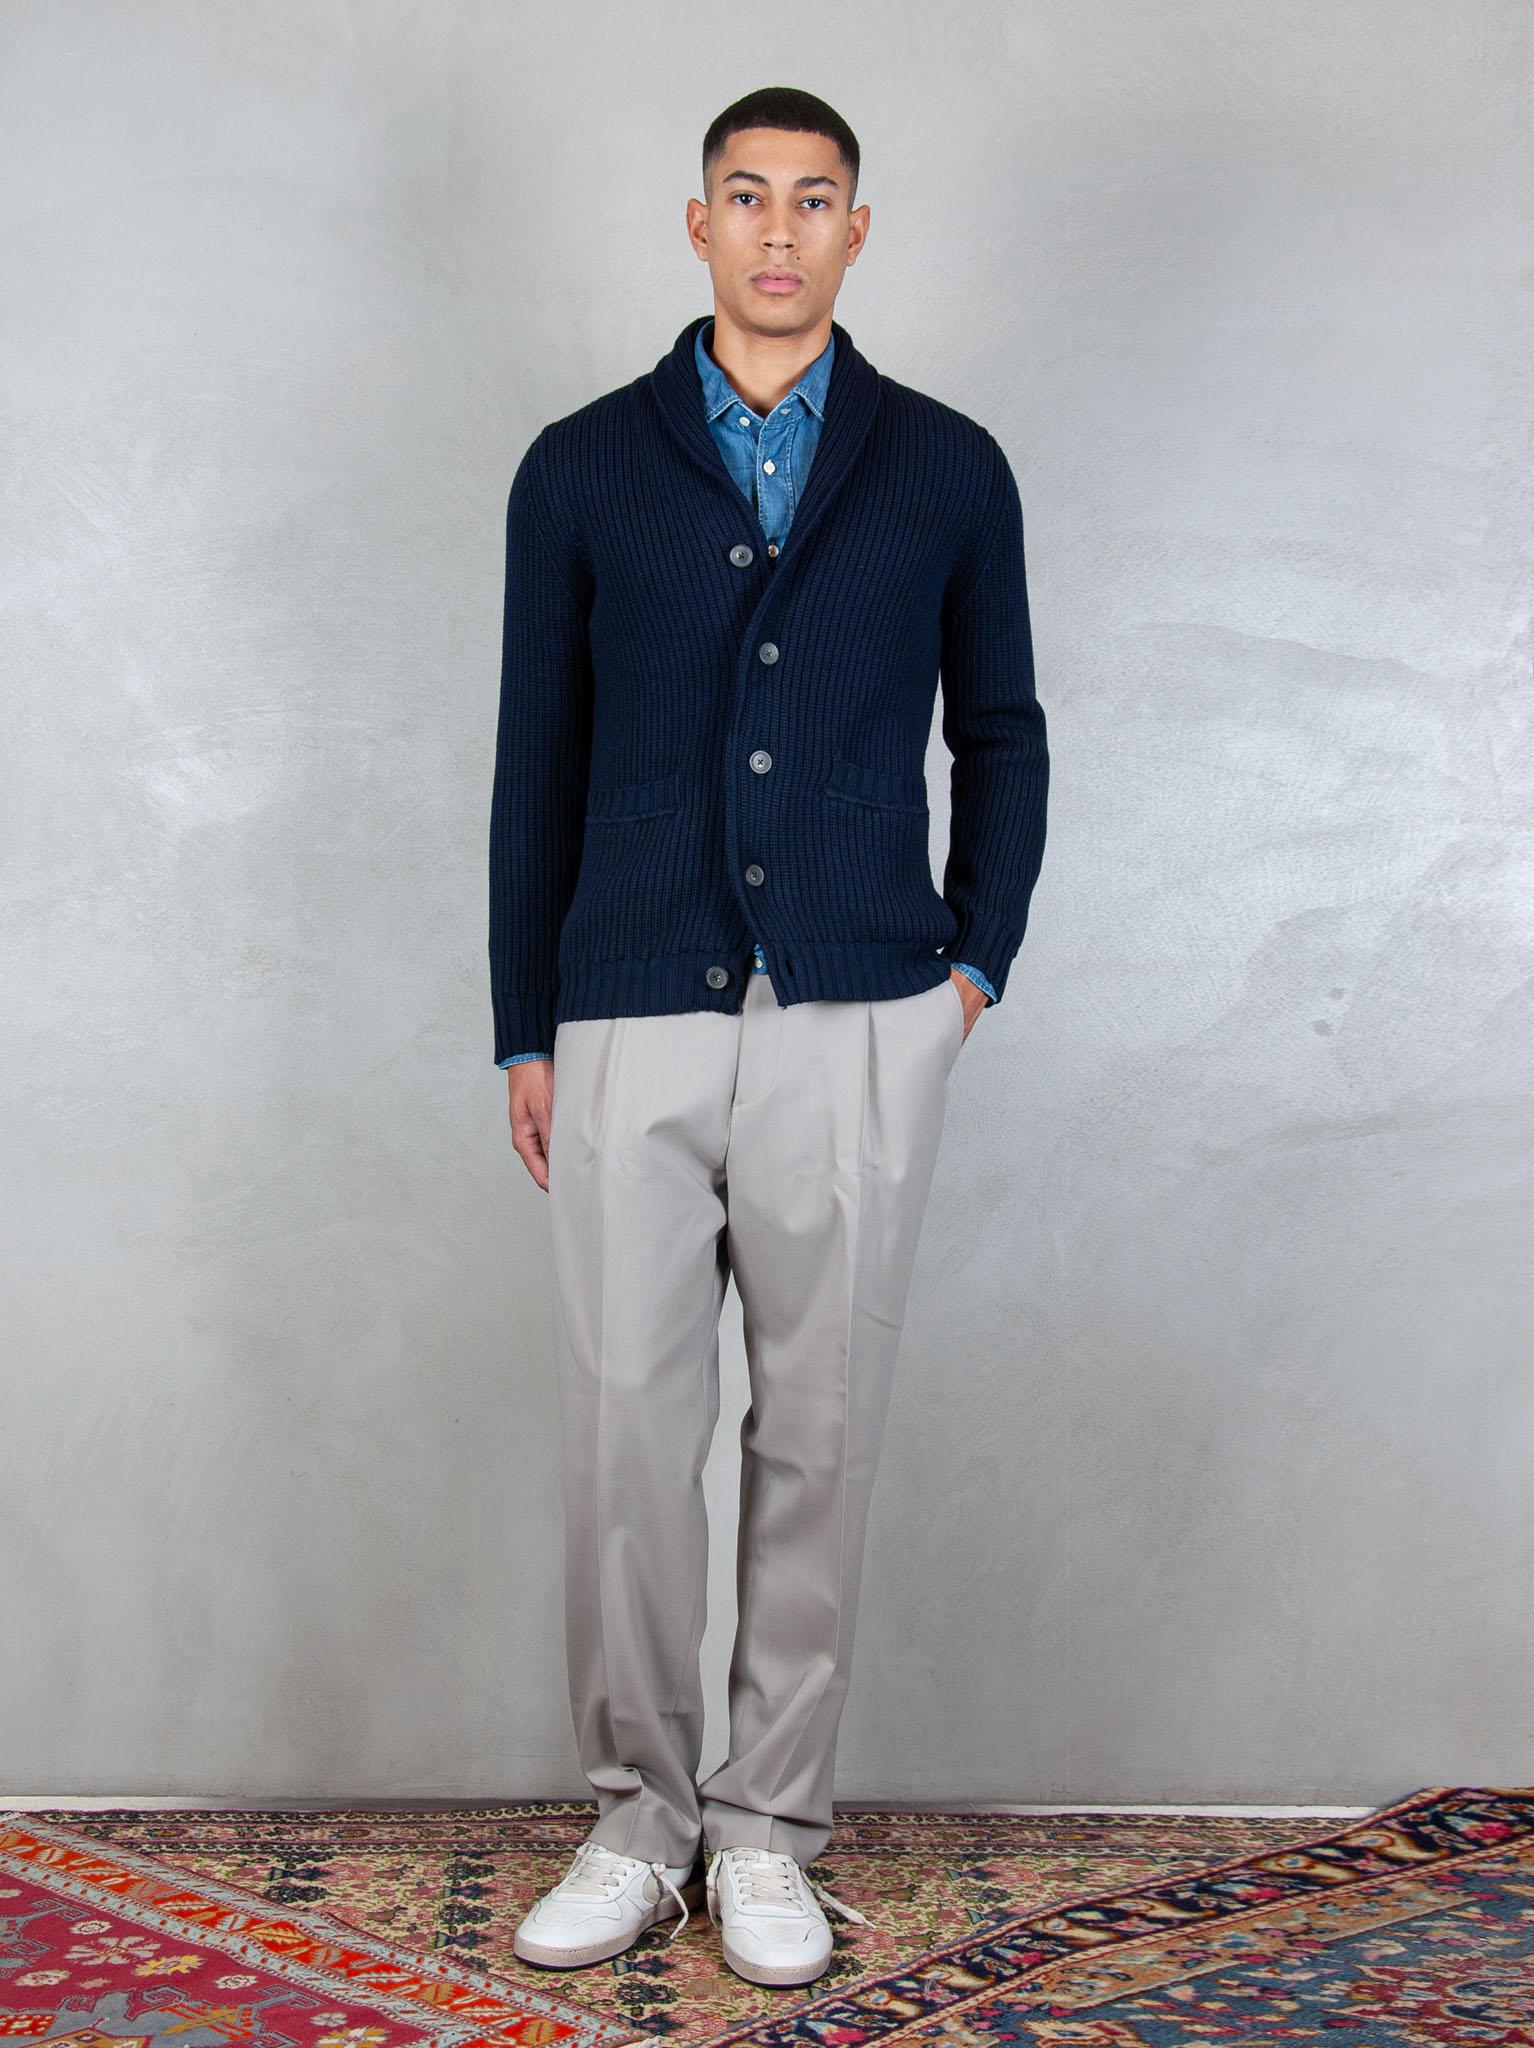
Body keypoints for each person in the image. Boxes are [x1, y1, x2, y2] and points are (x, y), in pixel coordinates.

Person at [489, 84, 1048, 1989]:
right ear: (698, 223)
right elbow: (536, 762)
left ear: (856, 231)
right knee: (625, 1430)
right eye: (748, 196)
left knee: (820, 1431)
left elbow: (1003, 732)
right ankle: (637, 1819)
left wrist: (969, 970)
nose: (780, 229)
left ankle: (766, 1831)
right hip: (627, 1002)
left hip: (863, 1009)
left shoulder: (946, 466)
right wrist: (524, 1024)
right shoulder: (580, 467)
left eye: (815, 200)